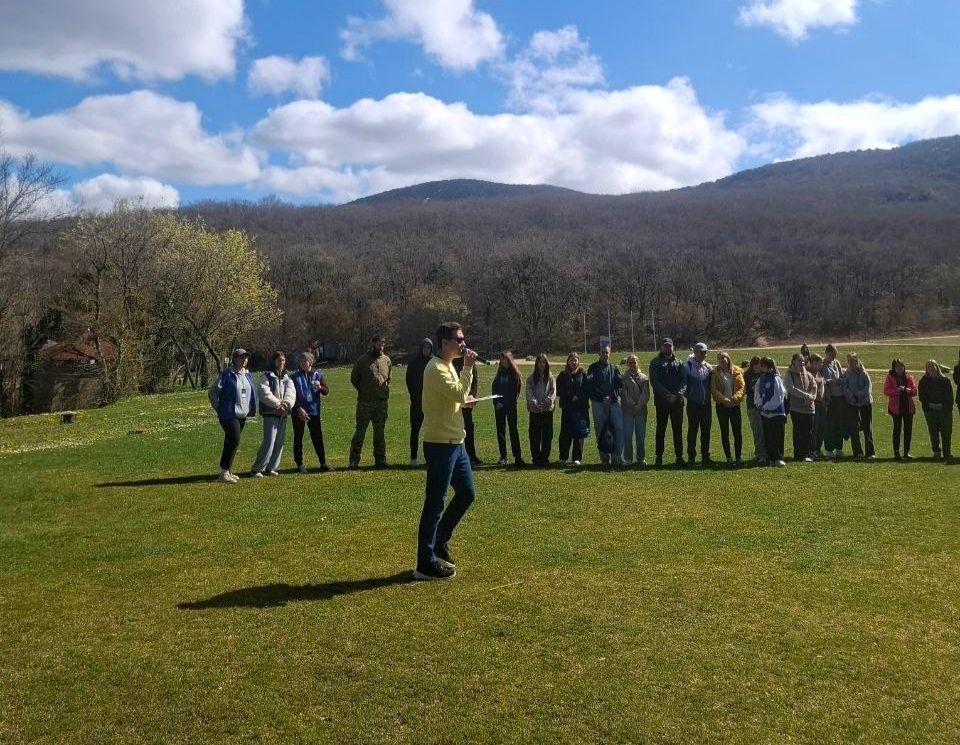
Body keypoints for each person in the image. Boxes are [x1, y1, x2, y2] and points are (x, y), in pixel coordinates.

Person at [414, 322, 479, 581]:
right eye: (458, 340)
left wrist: (465, 402)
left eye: (463, 339)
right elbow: (459, 392)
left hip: (456, 443)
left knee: (467, 493)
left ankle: (439, 542)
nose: (463, 344)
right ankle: (424, 563)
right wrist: (469, 368)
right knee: (435, 503)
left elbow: (456, 397)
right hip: (440, 444)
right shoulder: (436, 368)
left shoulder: (449, 365)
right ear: (444, 343)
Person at [208, 348, 256, 483]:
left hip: (242, 414)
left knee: (232, 442)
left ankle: (227, 471)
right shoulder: (226, 374)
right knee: (234, 439)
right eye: (241, 357)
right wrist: (219, 408)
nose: (244, 359)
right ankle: (224, 473)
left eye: (246, 357)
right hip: (229, 414)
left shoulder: (247, 374)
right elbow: (212, 392)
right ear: (235, 359)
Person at [349, 335, 392, 469]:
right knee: (360, 432)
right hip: (365, 404)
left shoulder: (387, 360)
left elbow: (388, 379)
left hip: (381, 404)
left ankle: (380, 459)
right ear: (373, 344)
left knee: (379, 433)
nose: (381, 347)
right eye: (379, 344)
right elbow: (354, 379)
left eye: (383, 345)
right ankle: (354, 460)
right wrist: (364, 390)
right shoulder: (362, 361)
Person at [251, 351, 296, 477]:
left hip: (283, 413)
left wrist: (285, 405)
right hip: (270, 412)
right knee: (269, 441)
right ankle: (257, 468)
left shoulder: (287, 377)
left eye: (283, 360)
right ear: (274, 361)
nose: (281, 362)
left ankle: (271, 467)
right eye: (279, 360)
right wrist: (278, 405)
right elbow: (264, 393)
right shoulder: (266, 376)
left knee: (279, 442)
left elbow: (291, 393)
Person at [290, 351, 330, 473]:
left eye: (305, 361)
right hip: (299, 412)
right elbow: (291, 395)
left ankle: (323, 462)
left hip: (313, 411)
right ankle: (299, 464)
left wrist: (320, 387)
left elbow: (326, 391)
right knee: (298, 437)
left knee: (317, 437)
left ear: (310, 362)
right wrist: (298, 408)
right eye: (301, 361)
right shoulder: (294, 377)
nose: (303, 363)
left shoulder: (317, 374)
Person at [649, 337, 686, 466]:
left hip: (677, 402)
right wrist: (667, 395)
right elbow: (654, 382)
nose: (667, 348)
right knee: (661, 429)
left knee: (677, 430)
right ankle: (659, 457)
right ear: (661, 347)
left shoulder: (679, 362)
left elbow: (684, 382)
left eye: (670, 346)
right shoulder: (655, 362)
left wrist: (676, 395)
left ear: (673, 347)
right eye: (665, 346)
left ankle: (679, 457)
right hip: (662, 402)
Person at [586, 344, 624, 466]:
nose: (605, 354)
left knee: (619, 428)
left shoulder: (614, 368)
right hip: (598, 403)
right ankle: (604, 459)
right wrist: (602, 397)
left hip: (613, 403)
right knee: (600, 430)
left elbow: (619, 386)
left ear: (610, 353)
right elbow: (590, 385)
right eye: (602, 352)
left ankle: (617, 457)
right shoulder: (592, 368)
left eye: (607, 352)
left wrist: (611, 396)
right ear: (599, 353)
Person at [710, 351, 745, 467]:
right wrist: (724, 399)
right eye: (720, 359)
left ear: (728, 359)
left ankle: (738, 458)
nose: (722, 360)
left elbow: (742, 387)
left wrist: (735, 398)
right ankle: (729, 458)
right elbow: (714, 390)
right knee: (724, 432)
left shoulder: (738, 371)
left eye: (724, 358)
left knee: (737, 433)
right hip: (722, 407)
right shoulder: (715, 373)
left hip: (735, 406)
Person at [683, 342, 713, 465]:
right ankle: (691, 456)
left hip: (706, 404)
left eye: (705, 352)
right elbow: (683, 384)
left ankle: (705, 456)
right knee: (693, 430)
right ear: (695, 352)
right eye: (702, 352)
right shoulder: (687, 366)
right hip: (693, 404)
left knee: (706, 431)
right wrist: (689, 395)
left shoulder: (708, 367)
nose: (704, 355)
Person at [556, 353, 589, 466]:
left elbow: (586, 389)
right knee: (565, 433)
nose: (573, 362)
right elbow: (559, 390)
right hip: (567, 408)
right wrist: (570, 396)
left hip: (580, 408)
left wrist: (578, 396)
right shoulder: (563, 375)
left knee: (578, 433)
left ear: (578, 362)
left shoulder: (583, 374)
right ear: (568, 362)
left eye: (575, 360)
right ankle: (563, 457)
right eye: (571, 360)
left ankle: (577, 458)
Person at [405, 338, 434, 466]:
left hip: (431, 403)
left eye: (428, 348)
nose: (426, 350)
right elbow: (408, 380)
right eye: (424, 347)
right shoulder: (413, 363)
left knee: (431, 431)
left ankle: (430, 458)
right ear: (421, 348)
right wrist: (414, 395)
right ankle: (413, 458)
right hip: (417, 402)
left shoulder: (434, 363)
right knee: (415, 430)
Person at [840, 352, 875, 459]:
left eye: (853, 361)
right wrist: (852, 397)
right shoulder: (846, 374)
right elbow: (844, 387)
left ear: (857, 361)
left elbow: (868, 387)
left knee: (867, 428)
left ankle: (870, 452)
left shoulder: (864, 373)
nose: (852, 363)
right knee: (854, 428)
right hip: (852, 404)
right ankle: (857, 452)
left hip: (865, 403)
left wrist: (858, 395)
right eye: (849, 361)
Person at [492, 352, 524, 466]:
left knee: (513, 430)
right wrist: (496, 402)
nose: (502, 361)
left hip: (510, 406)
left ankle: (518, 457)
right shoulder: (499, 374)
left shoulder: (514, 374)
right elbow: (494, 389)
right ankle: (503, 457)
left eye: (504, 359)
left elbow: (514, 392)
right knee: (500, 431)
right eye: (501, 359)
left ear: (509, 360)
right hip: (499, 408)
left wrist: (504, 403)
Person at [754, 356, 787, 467]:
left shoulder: (776, 378)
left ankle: (779, 458)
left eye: (761, 365)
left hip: (777, 412)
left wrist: (767, 406)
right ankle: (772, 458)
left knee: (777, 436)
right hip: (765, 413)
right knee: (768, 436)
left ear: (766, 366)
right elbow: (757, 393)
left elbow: (779, 396)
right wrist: (759, 404)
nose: (759, 367)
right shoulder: (761, 379)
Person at [784, 352, 817, 462]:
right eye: (799, 360)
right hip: (796, 408)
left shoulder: (808, 374)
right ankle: (799, 454)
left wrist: (812, 397)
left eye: (803, 361)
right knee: (798, 432)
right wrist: (806, 396)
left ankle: (807, 454)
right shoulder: (789, 374)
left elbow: (814, 386)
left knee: (808, 432)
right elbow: (791, 389)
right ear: (793, 361)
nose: (802, 363)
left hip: (809, 408)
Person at [918, 360, 953, 460]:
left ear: (937, 367)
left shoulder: (945, 380)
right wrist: (930, 404)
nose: (931, 368)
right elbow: (922, 396)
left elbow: (949, 396)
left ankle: (947, 452)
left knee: (946, 432)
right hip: (930, 410)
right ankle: (936, 452)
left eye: (933, 366)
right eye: (929, 366)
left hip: (944, 410)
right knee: (933, 432)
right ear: (926, 369)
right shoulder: (923, 381)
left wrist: (942, 405)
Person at [526, 353, 557, 466]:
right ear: (536, 364)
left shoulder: (551, 378)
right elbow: (529, 393)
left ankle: (544, 458)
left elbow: (553, 392)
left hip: (547, 411)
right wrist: (535, 403)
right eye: (540, 362)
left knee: (547, 435)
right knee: (534, 435)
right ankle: (536, 458)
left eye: (544, 362)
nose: (542, 364)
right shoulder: (531, 378)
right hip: (534, 411)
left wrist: (545, 403)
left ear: (547, 364)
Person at [883, 358, 917, 461]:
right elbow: (886, 391)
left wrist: (909, 391)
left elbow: (914, 391)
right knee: (897, 430)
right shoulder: (890, 377)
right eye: (897, 367)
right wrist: (897, 390)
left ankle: (906, 452)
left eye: (901, 366)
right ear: (893, 368)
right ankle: (896, 452)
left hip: (908, 407)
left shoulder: (908, 376)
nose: (900, 368)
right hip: (896, 408)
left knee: (908, 430)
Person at [620, 354, 651, 467]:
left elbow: (646, 394)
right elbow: (624, 394)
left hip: (641, 411)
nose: (632, 365)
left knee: (640, 436)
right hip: (627, 411)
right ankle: (628, 458)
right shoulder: (623, 378)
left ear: (638, 363)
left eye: (634, 362)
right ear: (627, 364)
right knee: (627, 436)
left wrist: (638, 406)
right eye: (630, 363)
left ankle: (641, 458)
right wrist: (633, 405)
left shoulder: (644, 378)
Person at [454, 355, 482, 466]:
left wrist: (472, 395)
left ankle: (472, 455)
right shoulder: (451, 361)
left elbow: (474, 381)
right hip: (455, 404)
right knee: (456, 430)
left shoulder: (469, 361)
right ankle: (457, 457)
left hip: (467, 402)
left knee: (469, 428)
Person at [821, 344, 846, 458]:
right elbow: (820, 380)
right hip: (829, 397)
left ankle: (838, 448)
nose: (833, 357)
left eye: (835, 355)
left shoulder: (836, 363)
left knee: (839, 423)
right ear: (826, 353)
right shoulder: (822, 365)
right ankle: (829, 449)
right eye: (831, 354)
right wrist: (831, 381)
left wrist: (840, 380)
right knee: (829, 424)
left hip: (839, 397)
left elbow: (842, 377)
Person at [743, 356, 767, 464]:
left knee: (766, 430)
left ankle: (767, 453)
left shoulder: (764, 374)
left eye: (760, 364)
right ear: (752, 365)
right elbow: (745, 390)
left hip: (765, 406)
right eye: (756, 364)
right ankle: (760, 455)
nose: (758, 367)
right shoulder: (747, 375)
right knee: (758, 431)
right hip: (753, 406)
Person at [806, 353, 827, 459]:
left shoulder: (819, 373)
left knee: (821, 428)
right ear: (811, 362)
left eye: (820, 363)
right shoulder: (807, 373)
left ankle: (818, 449)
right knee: (815, 428)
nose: (818, 365)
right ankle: (812, 450)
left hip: (822, 404)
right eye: (816, 363)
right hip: (813, 404)